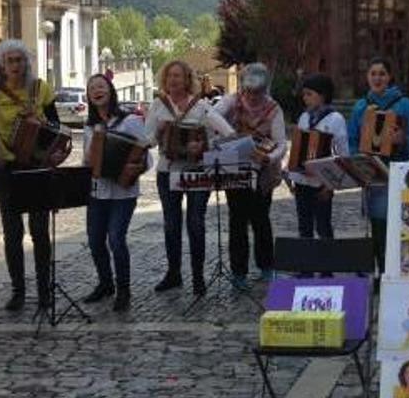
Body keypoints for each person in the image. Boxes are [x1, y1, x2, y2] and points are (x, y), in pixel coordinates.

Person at [0, 39, 69, 311]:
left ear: (26, 63)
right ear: (2, 65)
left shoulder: (41, 89)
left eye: (20, 60)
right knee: (12, 233)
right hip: (7, 168)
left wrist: (42, 122)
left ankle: (44, 291)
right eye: (10, 61)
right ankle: (18, 290)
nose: (16, 65)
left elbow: (56, 126)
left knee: (40, 231)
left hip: (37, 167)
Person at [146, 60, 236, 298]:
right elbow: (149, 141)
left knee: (196, 223)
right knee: (171, 224)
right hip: (167, 171)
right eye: (169, 76)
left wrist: (205, 147)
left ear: (188, 80)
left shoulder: (202, 106)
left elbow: (228, 133)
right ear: (164, 80)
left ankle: (198, 277)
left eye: (178, 76)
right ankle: (173, 273)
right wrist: (159, 131)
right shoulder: (158, 105)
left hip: (197, 172)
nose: (173, 80)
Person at [81, 74, 150, 311]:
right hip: (97, 193)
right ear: (89, 97)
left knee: (116, 239)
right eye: (92, 89)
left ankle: (124, 290)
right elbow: (86, 163)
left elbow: (146, 156)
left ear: (110, 90)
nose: (96, 90)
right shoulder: (90, 126)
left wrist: (135, 168)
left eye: (100, 86)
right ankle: (105, 283)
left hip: (123, 192)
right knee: (95, 241)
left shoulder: (130, 121)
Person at [216, 63, 287, 291]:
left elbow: (281, 142)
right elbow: (211, 116)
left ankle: (266, 265)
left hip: (263, 170)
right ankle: (239, 272)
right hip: (235, 168)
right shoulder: (231, 101)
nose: (252, 97)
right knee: (237, 221)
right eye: (248, 91)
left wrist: (269, 158)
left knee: (260, 219)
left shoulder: (273, 109)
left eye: (257, 93)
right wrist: (228, 133)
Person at [347, 57, 409, 274]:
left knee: (400, 225)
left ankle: (400, 271)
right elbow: (351, 139)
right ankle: (382, 272)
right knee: (378, 226)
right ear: (367, 77)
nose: (377, 78)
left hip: (397, 170)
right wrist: (358, 159)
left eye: (382, 73)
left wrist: (403, 141)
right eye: (373, 74)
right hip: (372, 172)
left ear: (389, 77)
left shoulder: (404, 104)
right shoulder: (361, 106)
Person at [291, 73, 348, 243]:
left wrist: (331, 184)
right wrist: (292, 176)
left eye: (309, 94)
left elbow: (342, 152)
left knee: (323, 225)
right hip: (302, 182)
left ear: (322, 95)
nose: (305, 98)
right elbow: (298, 147)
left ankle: (326, 265)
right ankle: (306, 266)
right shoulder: (304, 117)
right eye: (304, 94)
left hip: (322, 182)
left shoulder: (335, 119)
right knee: (304, 226)